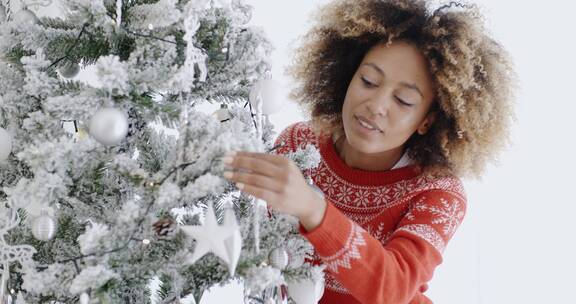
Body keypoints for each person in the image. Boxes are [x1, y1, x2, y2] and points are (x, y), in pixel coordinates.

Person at [221, 0, 516, 303]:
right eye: (369, 81)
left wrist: (314, 210)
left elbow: (394, 288)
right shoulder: (298, 144)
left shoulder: (438, 193)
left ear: (426, 121)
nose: (376, 106)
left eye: (403, 100)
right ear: (347, 75)